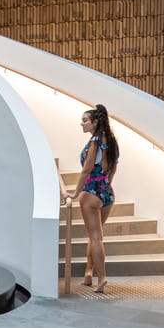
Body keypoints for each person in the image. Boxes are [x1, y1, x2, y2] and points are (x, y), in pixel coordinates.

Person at [68, 104, 119, 294]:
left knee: (95, 236)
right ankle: (88, 274)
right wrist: (105, 184)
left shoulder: (95, 142)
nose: (81, 124)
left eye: (85, 120)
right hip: (107, 192)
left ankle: (102, 277)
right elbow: (113, 168)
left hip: (91, 193)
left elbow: (86, 169)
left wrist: (74, 193)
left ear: (95, 122)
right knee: (95, 235)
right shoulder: (112, 141)